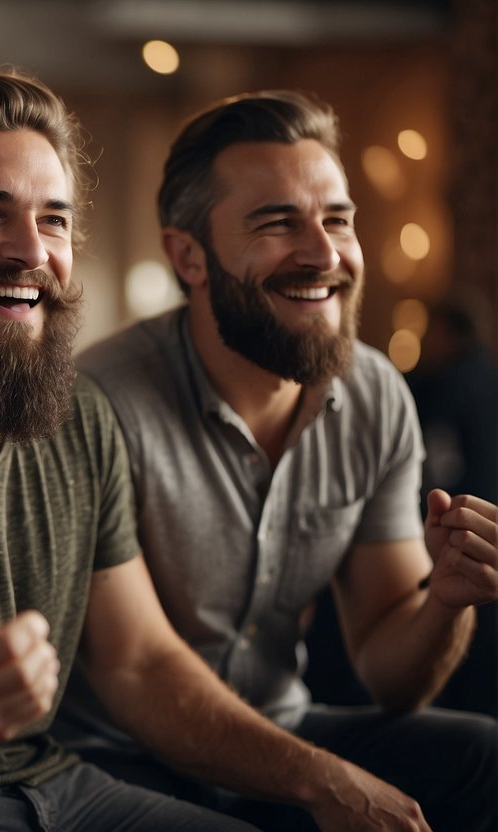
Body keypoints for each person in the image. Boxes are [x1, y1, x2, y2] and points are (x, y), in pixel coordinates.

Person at [0, 71, 435, 832]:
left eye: (53, 220)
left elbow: (139, 664)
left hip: (56, 781)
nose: (32, 250)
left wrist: (319, 780)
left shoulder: (76, 413)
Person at [59, 90, 498, 831]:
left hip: (282, 728)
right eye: (276, 223)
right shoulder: (97, 401)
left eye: (335, 219)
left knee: (481, 756)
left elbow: (390, 675)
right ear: (187, 256)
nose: (323, 253)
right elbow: (134, 672)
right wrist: (322, 783)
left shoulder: (374, 395)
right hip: (118, 755)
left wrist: (444, 604)